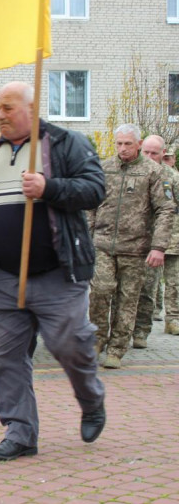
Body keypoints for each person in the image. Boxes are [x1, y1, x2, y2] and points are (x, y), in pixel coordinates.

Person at [0, 81, 106, 461]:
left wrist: (49, 187)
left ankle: (91, 400)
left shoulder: (66, 143)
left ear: (31, 106)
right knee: (4, 356)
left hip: (58, 272)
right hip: (6, 277)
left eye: (7, 107)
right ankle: (20, 432)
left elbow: (94, 189)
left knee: (69, 345)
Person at [88, 125, 173, 369]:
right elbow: (91, 204)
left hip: (136, 248)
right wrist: (89, 234)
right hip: (103, 244)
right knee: (100, 291)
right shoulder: (104, 168)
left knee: (127, 300)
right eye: (119, 144)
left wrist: (158, 247)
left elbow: (165, 210)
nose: (122, 149)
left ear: (139, 144)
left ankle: (117, 348)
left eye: (128, 144)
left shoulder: (154, 172)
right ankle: (97, 338)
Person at [132, 135, 179, 347]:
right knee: (136, 287)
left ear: (163, 154)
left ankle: (164, 323)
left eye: (155, 153)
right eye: (146, 152)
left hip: (169, 238)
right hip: (139, 240)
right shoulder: (134, 172)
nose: (150, 157)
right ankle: (131, 330)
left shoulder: (171, 176)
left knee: (164, 285)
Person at [162, 146, 179, 336]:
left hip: (173, 236)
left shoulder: (173, 177)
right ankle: (140, 325)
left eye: (168, 157)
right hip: (146, 238)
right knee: (146, 285)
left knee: (174, 281)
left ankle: (173, 318)